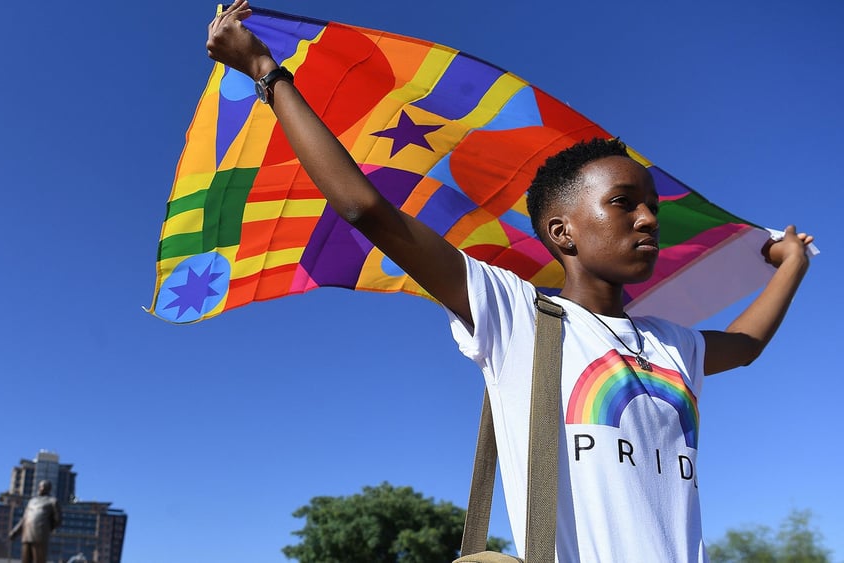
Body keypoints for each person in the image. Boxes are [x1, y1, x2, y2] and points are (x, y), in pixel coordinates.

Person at [206, 2, 814, 561]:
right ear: (563, 232)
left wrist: (792, 264)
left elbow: (749, 344)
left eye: (651, 204)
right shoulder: (516, 314)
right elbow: (369, 211)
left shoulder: (671, 345)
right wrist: (267, 73)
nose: (649, 217)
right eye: (624, 203)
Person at [8, 480, 61, 563]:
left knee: (39, 560)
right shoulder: (32, 501)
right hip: (27, 534)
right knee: (25, 559)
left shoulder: (52, 501)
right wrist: (15, 531)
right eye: (39, 486)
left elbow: (58, 519)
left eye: (42, 486)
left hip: (40, 535)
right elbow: (24, 519)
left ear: (48, 488)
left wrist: (46, 528)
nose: (39, 488)